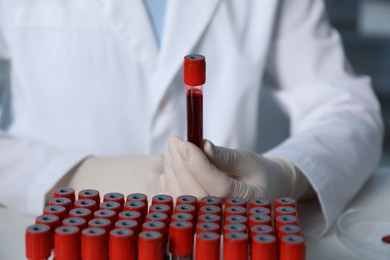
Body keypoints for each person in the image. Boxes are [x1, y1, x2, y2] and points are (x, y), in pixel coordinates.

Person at [0, 0, 383, 237]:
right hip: (56, 227)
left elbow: (346, 107)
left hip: (216, 235)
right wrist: (74, 173)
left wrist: (290, 172)